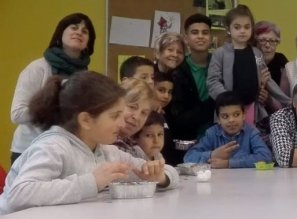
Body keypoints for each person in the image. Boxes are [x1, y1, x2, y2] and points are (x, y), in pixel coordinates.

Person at [0, 71, 178, 215]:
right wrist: (91, 182)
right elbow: (19, 194)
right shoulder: (53, 147)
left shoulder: (108, 152)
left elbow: (168, 172)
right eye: (115, 116)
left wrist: (159, 176)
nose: (123, 123)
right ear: (86, 120)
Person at [10, 13, 96, 164]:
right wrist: (53, 109)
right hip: (30, 150)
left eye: (85, 31)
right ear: (60, 34)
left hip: (68, 152)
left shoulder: (87, 76)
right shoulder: (38, 68)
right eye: (74, 27)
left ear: (88, 42)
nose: (79, 32)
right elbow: (16, 114)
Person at [207, 4, 288, 126]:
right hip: (228, 110)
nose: (242, 31)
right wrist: (228, 100)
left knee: (248, 138)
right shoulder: (220, 53)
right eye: (237, 27)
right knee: (230, 140)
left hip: (251, 108)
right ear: (228, 29)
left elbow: (268, 79)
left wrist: (287, 100)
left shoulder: (257, 53)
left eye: (247, 27)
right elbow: (213, 81)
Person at [164, 13, 215, 165]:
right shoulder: (177, 71)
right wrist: (211, 106)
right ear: (186, 39)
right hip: (187, 145)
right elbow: (177, 117)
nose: (200, 36)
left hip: (219, 138)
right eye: (195, 32)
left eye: (205, 33)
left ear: (211, 38)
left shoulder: (220, 63)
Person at [184, 91, 273, 168]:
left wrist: (229, 163)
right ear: (218, 119)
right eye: (225, 116)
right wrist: (212, 154)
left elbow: (266, 157)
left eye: (236, 114)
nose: (231, 120)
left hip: (245, 181)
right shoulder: (212, 133)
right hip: (218, 182)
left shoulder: (251, 132)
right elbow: (188, 157)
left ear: (244, 115)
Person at [114, 79, 155, 157]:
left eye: (144, 113)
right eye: (132, 107)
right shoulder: (103, 144)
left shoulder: (135, 147)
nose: (136, 117)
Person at [255, 20, 289, 85]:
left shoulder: (281, 61)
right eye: (262, 40)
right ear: (254, 42)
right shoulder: (248, 61)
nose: (267, 45)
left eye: (272, 41)